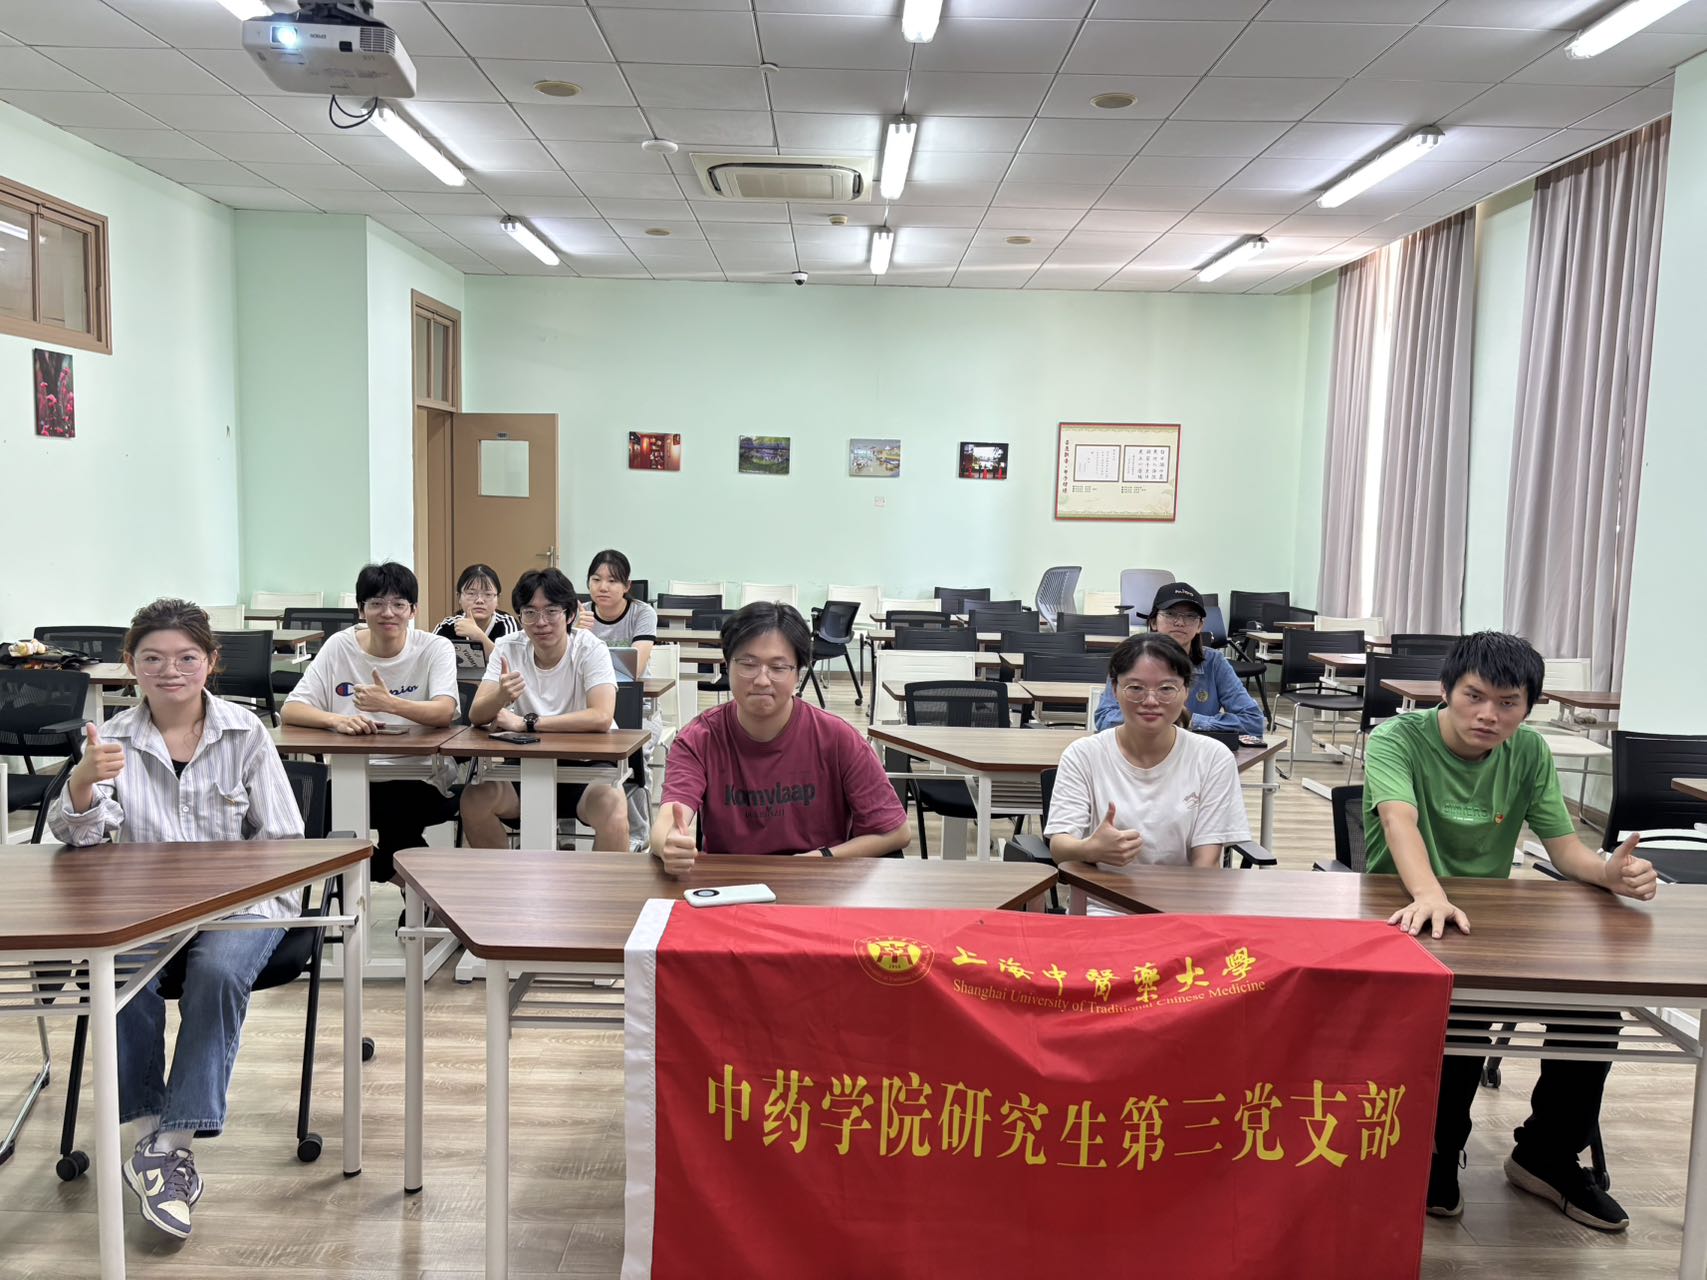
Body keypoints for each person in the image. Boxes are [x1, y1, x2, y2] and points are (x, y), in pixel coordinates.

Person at [1363, 631, 1657, 1233]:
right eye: (1474, 696)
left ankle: (1545, 1155)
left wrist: (1608, 873)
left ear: (1528, 707)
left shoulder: (1528, 752)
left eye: (1507, 702)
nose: (1488, 715)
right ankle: (1438, 1149)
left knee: (1593, 1010)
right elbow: (1399, 821)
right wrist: (1430, 894)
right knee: (1464, 1009)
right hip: (1403, 913)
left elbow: (1565, 849)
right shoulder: (1397, 739)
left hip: (1489, 921)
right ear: (1446, 690)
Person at [49, 599, 305, 1240]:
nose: (171, 670)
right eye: (153, 658)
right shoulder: (111, 738)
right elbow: (77, 838)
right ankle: (150, 1139)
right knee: (118, 974)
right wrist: (83, 781)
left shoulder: (246, 733)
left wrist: (236, 895)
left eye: (187, 657)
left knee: (217, 971)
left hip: (243, 905)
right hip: (145, 908)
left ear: (211, 662)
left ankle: (173, 1143)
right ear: (130, 664)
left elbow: (282, 839)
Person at [652, 602, 910, 873]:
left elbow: (895, 831)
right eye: (748, 664)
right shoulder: (699, 739)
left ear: (798, 673)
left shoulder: (837, 738)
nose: (762, 680)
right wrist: (668, 843)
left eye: (778, 667)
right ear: (727, 665)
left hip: (817, 884)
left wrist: (819, 859)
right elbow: (668, 819)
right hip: (731, 885)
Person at [281, 562, 459, 882]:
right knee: (312, 820)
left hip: (420, 775)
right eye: (376, 603)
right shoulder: (340, 646)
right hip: (349, 773)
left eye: (398, 604)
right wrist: (337, 720)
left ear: (413, 610)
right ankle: (418, 890)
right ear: (361, 609)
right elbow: (292, 709)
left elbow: (444, 711)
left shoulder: (434, 648)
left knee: (397, 818)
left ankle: (421, 893)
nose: (387, 613)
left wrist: (390, 703)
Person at [1047, 633, 1251, 874]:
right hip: (1100, 895)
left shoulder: (1213, 758)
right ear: (1115, 689)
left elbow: (1205, 864)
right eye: (1135, 688)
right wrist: (1089, 849)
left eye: (1166, 688)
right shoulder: (1083, 755)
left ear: (1186, 691)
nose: (1151, 700)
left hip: (1185, 894)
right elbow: (1059, 847)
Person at [460, 567, 630, 851]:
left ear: (569, 614)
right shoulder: (507, 647)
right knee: (474, 799)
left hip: (586, 767)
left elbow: (601, 716)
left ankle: (600, 883)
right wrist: (500, 696)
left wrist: (527, 723)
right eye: (530, 612)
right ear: (520, 616)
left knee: (613, 808)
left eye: (551, 611)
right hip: (525, 766)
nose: (541, 622)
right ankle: (501, 879)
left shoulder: (590, 649)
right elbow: (477, 714)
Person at [1094, 582, 1263, 736]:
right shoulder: (1129, 657)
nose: (1180, 622)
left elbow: (1254, 722)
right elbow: (1105, 719)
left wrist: (1188, 720)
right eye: (1170, 614)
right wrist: (1169, 717)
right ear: (1153, 622)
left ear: (1200, 625)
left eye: (1190, 616)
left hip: (1197, 754)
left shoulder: (1214, 662)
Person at [576, 548, 657, 674]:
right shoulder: (580, 614)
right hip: (589, 684)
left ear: (627, 586)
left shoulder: (642, 613)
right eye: (596, 580)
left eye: (612, 581)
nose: (603, 588)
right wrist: (576, 634)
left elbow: (635, 669)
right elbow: (569, 668)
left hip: (631, 684)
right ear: (588, 582)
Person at [434, 563, 520, 670]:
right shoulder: (447, 626)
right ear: (459, 597)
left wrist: (477, 634)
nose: (479, 600)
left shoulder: (507, 624)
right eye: (471, 593)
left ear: (497, 598)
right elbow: (431, 661)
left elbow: (513, 664)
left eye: (488, 594)